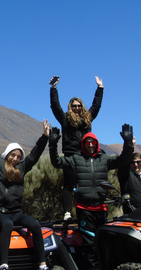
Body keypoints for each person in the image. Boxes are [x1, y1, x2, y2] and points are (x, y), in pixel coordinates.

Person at [0, 105, 56, 270]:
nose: (15, 158)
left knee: (35, 225)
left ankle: (42, 265)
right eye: (12, 155)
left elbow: (35, 155)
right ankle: (4, 265)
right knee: (6, 223)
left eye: (18, 156)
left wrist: (45, 137)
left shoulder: (21, 168)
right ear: (7, 154)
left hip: (14, 212)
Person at [49, 124, 133, 270]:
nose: (89, 144)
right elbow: (57, 162)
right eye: (86, 142)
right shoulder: (76, 159)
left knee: (104, 241)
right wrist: (53, 144)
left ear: (96, 144)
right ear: (83, 144)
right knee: (89, 242)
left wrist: (128, 143)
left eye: (92, 142)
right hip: (84, 208)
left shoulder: (104, 159)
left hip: (101, 208)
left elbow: (123, 160)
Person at [49, 76, 104, 220]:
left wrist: (100, 88)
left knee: (84, 184)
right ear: (70, 107)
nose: (77, 108)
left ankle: (84, 210)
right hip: (71, 155)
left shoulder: (88, 119)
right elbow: (55, 107)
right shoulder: (65, 118)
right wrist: (53, 89)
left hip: (86, 155)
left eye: (79, 105)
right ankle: (67, 212)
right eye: (74, 106)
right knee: (68, 184)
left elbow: (96, 106)